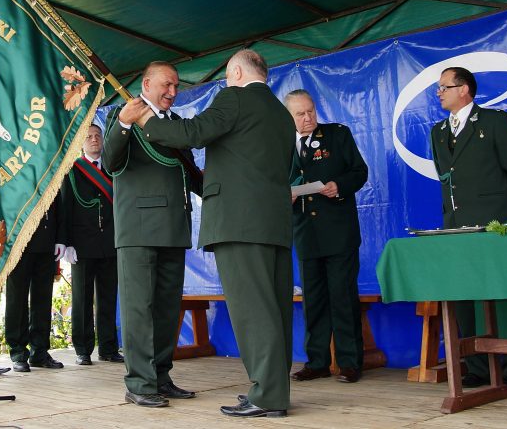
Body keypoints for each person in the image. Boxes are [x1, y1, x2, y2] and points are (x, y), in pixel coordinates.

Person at [128, 49, 295, 419]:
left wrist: (145, 120)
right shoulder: (282, 113)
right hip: (274, 222)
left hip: (240, 221)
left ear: (235, 71)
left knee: (254, 311)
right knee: (275, 308)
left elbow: (194, 133)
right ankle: (274, 388)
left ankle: (267, 395)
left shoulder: (234, 97)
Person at [429, 66, 507, 390]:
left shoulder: (494, 121)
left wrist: (506, 214)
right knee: (465, 296)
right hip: (457, 227)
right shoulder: (438, 131)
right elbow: (447, 181)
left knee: (502, 296)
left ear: (464, 89)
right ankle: (476, 365)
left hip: (494, 223)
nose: (439, 93)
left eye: (445, 87)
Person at [104, 61, 200, 409]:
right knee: (138, 310)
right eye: (166, 85)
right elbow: (111, 162)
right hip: (139, 229)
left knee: (166, 309)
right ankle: (140, 383)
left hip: (175, 227)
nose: (172, 92)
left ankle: (160, 375)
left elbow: (190, 175)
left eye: (176, 86)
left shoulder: (175, 125)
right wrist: (126, 122)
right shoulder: (123, 114)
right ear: (147, 83)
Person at [284, 90, 369, 384]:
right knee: (314, 301)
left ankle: (349, 362)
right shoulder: (281, 145)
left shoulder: (337, 135)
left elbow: (360, 171)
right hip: (306, 233)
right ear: (289, 117)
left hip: (339, 231)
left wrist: (338, 185)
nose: (308, 118)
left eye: (311, 112)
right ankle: (317, 361)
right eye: (300, 114)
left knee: (343, 298)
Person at [56, 124, 123, 366]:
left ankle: (108, 347)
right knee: (82, 299)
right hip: (82, 245)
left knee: (108, 297)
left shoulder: (114, 168)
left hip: (110, 242)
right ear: (81, 143)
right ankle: (83, 349)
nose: (94, 140)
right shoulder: (72, 171)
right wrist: (67, 243)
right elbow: (65, 208)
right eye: (89, 137)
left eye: (97, 136)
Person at [4, 199, 64, 372]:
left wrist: (60, 238)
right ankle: (18, 352)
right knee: (17, 299)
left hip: (46, 240)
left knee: (43, 300)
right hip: (19, 242)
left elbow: (59, 206)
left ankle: (40, 351)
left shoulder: (48, 172)